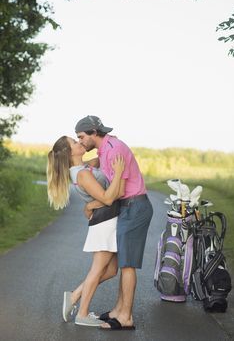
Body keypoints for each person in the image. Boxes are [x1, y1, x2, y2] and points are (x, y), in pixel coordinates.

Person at [74, 115, 154, 330]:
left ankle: (125, 317)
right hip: (127, 208)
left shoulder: (114, 148)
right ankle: (118, 310)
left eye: (81, 137)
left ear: (93, 132)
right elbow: (91, 168)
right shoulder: (105, 149)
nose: (80, 141)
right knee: (123, 263)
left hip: (135, 207)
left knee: (128, 265)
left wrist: (91, 205)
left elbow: (116, 192)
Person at [47, 136, 125, 327]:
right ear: (69, 153)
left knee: (112, 270)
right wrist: (119, 173)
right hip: (104, 222)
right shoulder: (81, 174)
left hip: (107, 219)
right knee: (97, 270)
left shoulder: (84, 167)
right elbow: (107, 199)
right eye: (74, 143)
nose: (79, 143)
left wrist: (104, 142)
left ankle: (74, 296)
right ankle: (82, 314)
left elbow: (101, 155)